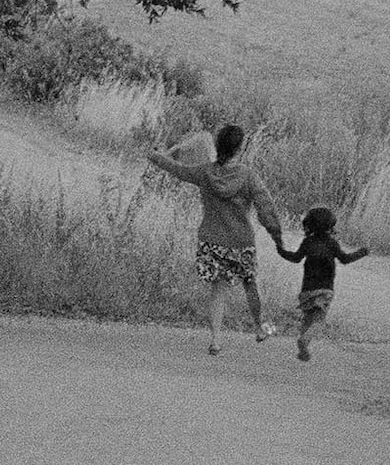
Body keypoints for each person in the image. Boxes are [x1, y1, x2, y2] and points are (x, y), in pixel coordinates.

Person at [145, 123, 283, 353]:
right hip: (241, 242)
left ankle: (216, 341)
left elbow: (176, 169)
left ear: (218, 146)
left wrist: (156, 156)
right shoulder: (248, 177)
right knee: (250, 285)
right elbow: (266, 209)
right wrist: (277, 238)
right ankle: (259, 328)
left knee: (218, 290)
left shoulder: (204, 172)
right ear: (240, 148)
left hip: (212, 241)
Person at [274, 206, 372, 360]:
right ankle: (305, 340)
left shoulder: (307, 242)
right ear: (329, 226)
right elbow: (345, 259)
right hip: (325, 289)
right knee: (319, 320)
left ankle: (303, 345)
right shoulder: (332, 243)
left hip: (306, 291)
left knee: (307, 319)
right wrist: (362, 252)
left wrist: (281, 251)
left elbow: (295, 258)